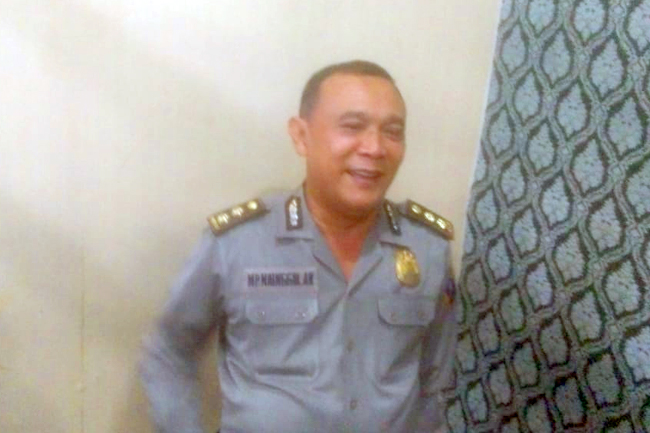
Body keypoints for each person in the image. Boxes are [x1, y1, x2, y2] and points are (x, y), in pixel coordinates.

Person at [140, 60, 457, 433]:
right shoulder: (238, 243)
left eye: (392, 131)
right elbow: (168, 350)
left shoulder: (428, 248)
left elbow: (435, 378)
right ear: (301, 136)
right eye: (352, 126)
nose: (374, 148)